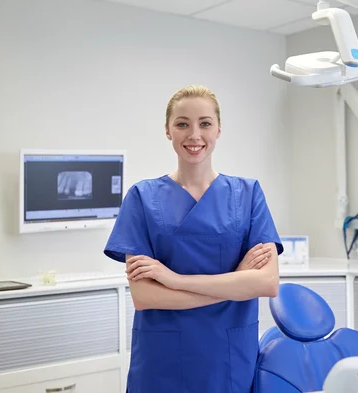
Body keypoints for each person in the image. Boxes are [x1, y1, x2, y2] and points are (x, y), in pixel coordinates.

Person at [103, 84, 284, 393]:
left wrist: (173, 279)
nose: (194, 134)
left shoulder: (249, 193)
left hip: (227, 357)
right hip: (164, 360)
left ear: (218, 129)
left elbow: (266, 283)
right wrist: (237, 280)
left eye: (205, 123)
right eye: (182, 123)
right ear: (168, 130)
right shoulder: (142, 198)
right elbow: (146, 297)